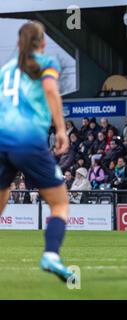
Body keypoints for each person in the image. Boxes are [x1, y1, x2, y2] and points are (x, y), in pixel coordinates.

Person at [0, 21, 75, 281]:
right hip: (28, 140)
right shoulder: (45, 62)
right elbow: (51, 90)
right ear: (42, 43)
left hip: (1, 140)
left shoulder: (6, 70)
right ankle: (51, 255)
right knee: (60, 203)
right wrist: (62, 130)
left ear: (19, 43)